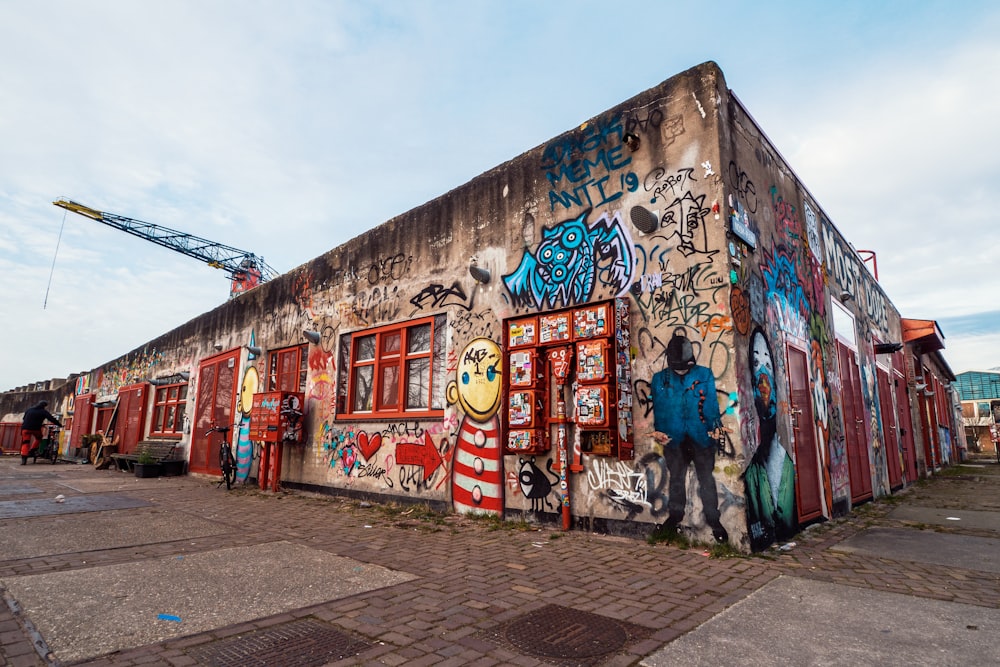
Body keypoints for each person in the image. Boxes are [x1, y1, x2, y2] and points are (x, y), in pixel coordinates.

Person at [651, 329, 729, 543]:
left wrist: (715, 431)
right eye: (679, 368)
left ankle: (714, 519)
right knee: (676, 479)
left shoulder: (704, 375)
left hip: (701, 437)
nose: (683, 372)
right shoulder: (660, 379)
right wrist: (661, 434)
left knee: (706, 479)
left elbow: (712, 405)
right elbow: (659, 409)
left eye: (686, 367)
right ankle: (676, 515)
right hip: (673, 438)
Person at [20, 401, 62, 465]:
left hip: (25, 428)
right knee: (39, 438)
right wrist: (59, 424)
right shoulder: (43, 411)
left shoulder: (29, 410)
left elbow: (24, 418)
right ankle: (32, 450)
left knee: (25, 442)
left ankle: (24, 458)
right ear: (44, 406)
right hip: (35, 429)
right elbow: (51, 419)